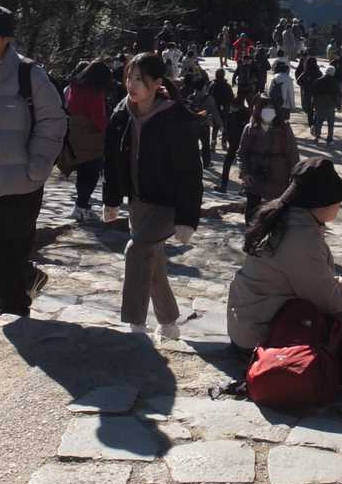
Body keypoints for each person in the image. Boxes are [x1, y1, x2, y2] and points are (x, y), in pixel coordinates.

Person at [227, 158, 342, 401]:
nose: (339, 205)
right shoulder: (301, 237)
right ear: (321, 203)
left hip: (248, 323)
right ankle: (334, 373)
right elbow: (330, 301)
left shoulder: (288, 219)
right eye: (337, 199)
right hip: (258, 336)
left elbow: (310, 278)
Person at [0, 4, 68, 316]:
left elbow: (54, 121)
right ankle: (28, 279)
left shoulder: (28, 74)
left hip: (22, 180)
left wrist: (36, 167)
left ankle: (14, 310)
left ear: (6, 38)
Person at [103, 52, 202, 340]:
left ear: (157, 83)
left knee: (136, 251)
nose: (131, 85)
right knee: (152, 258)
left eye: (139, 79)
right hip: (138, 202)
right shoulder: (122, 112)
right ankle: (169, 323)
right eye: (129, 78)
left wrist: (187, 219)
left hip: (168, 205)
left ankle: (135, 326)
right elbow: (112, 160)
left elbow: (190, 171)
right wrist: (111, 199)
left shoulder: (175, 118)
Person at [238, 94, 301, 225]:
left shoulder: (284, 129)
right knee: (251, 216)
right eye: (264, 109)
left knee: (277, 216)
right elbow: (242, 154)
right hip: (255, 178)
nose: (268, 112)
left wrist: (295, 178)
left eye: (271, 109)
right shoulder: (250, 129)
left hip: (279, 179)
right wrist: (244, 173)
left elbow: (293, 154)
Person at [63, 61, 111, 223]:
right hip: (91, 137)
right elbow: (98, 118)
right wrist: (108, 131)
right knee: (91, 173)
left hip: (75, 135)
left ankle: (81, 206)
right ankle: (81, 206)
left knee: (83, 172)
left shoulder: (74, 87)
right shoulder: (94, 93)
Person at [218, 90, 251, 194]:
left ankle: (223, 186)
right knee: (245, 166)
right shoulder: (248, 114)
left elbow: (226, 130)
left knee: (227, 164)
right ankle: (245, 188)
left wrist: (225, 140)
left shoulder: (231, 116)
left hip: (234, 143)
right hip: (244, 143)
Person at [312, 65, 341, 145]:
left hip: (319, 105)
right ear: (333, 73)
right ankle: (329, 139)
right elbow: (338, 95)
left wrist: (313, 104)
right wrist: (339, 106)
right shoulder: (335, 82)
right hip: (330, 105)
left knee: (319, 122)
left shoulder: (318, 81)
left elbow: (313, 94)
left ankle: (317, 136)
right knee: (330, 124)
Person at [209, 68, 235, 150]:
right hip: (225, 109)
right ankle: (224, 143)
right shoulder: (227, 86)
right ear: (223, 75)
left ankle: (213, 143)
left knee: (215, 127)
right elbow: (232, 97)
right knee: (225, 127)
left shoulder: (212, 85)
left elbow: (209, 97)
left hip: (215, 109)